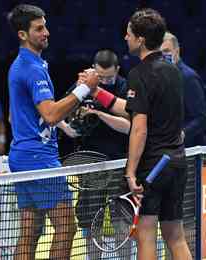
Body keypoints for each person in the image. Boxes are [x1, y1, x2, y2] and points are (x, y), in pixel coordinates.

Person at [80, 8, 192, 260]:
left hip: (152, 167)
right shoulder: (173, 71)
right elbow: (132, 109)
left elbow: (138, 127)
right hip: (176, 162)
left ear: (140, 39)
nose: (125, 38)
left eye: (129, 34)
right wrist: (96, 91)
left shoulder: (139, 74)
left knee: (146, 234)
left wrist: (130, 171)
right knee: (175, 236)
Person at [7, 4, 98, 260]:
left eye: (45, 26)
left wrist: (63, 126)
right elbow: (50, 114)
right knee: (66, 226)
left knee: (30, 230)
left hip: (23, 156)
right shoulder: (32, 68)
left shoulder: (25, 65)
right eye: (39, 28)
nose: (46, 32)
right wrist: (84, 90)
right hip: (38, 159)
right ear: (22, 34)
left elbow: (19, 115)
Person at [66, 49, 131, 259]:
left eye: (109, 77)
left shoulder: (125, 86)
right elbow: (60, 113)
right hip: (90, 164)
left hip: (119, 163)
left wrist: (99, 114)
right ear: (93, 70)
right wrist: (71, 126)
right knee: (91, 224)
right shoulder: (84, 85)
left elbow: (130, 126)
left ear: (117, 70)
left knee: (121, 223)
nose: (104, 81)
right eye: (100, 77)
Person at [161, 32, 206, 148]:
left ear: (177, 51)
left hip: (189, 151)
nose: (163, 56)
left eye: (166, 51)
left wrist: (181, 134)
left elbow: (201, 118)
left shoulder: (188, 78)